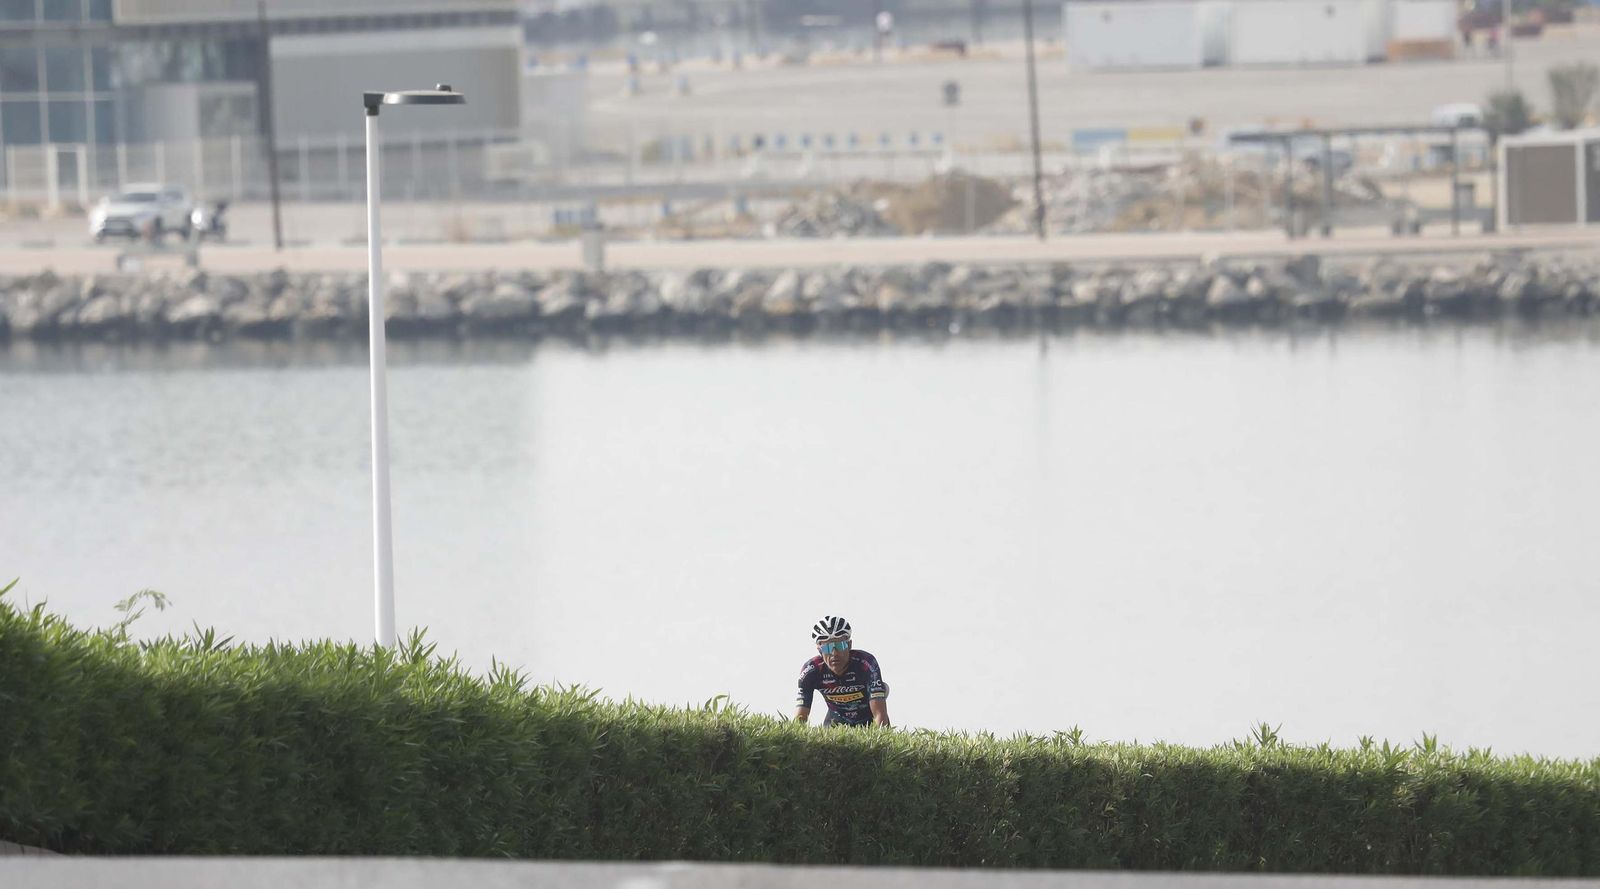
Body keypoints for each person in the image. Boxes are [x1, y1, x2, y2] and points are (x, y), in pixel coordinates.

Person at [794, 615, 890, 728]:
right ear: (820, 650)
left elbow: (879, 714)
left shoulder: (865, 663)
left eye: (840, 645)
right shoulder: (811, 670)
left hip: (868, 720)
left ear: (849, 645)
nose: (834, 653)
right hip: (835, 722)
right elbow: (799, 719)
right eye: (827, 648)